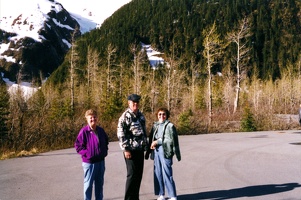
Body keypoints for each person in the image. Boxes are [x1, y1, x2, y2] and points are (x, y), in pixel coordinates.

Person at [145, 107, 181, 200]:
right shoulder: (155, 125)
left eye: (164, 114)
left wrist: (157, 142)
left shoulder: (170, 126)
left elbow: (170, 139)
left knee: (167, 173)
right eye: (160, 114)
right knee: (158, 173)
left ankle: (172, 195)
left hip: (166, 151)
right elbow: (151, 138)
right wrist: (150, 147)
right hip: (156, 151)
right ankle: (161, 194)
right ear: (157, 115)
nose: (162, 116)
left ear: (167, 115)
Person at [117, 94, 148, 200]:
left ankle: (135, 198)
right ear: (129, 103)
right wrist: (126, 149)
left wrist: (146, 146)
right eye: (133, 102)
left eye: (137, 102)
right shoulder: (125, 116)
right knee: (132, 175)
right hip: (130, 150)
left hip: (139, 150)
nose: (135, 104)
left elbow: (144, 132)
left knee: (138, 175)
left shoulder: (140, 115)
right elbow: (121, 133)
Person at [75, 109, 109, 200]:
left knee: (99, 186)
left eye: (94, 117)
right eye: (91, 117)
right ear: (86, 119)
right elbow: (78, 146)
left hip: (100, 162)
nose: (93, 119)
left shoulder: (101, 131)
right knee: (88, 186)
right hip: (89, 164)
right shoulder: (84, 132)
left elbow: (106, 141)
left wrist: (104, 152)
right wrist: (88, 154)